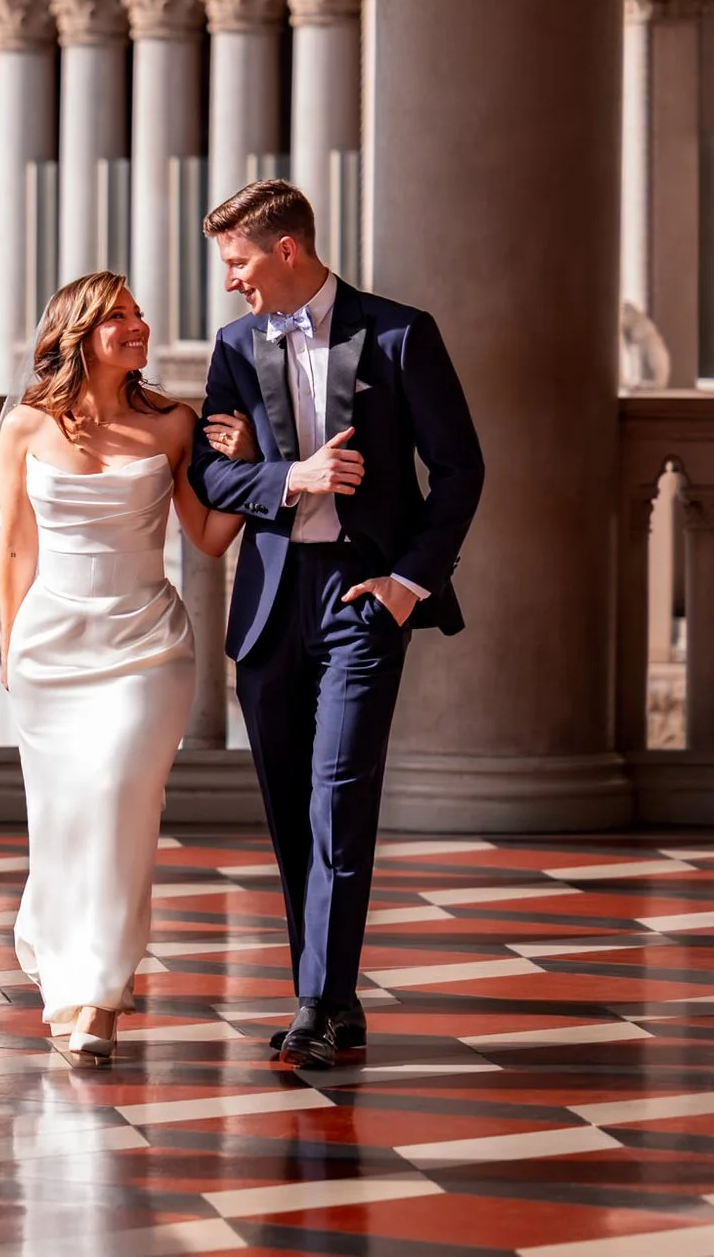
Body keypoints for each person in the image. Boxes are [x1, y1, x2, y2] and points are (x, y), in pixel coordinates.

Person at [187, 180, 483, 1071]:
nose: (231, 281)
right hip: (272, 604)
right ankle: (328, 993)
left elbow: (461, 469)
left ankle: (320, 998)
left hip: (363, 596)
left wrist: (406, 583)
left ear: (284, 251)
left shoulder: (399, 333)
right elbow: (208, 477)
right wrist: (287, 477)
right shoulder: (236, 346)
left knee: (339, 800)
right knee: (288, 811)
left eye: (237, 262)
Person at [0, 271, 258, 1067]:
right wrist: (10, 643)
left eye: (138, 313)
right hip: (51, 649)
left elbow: (205, 536)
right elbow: (14, 545)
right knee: (64, 821)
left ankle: (100, 993)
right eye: (118, 317)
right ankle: (70, 984)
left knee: (118, 802)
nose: (137, 325)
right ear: (80, 334)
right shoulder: (27, 427)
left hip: (147, 646)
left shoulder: (176, 423)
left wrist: (249, 466)